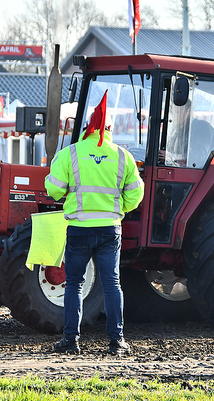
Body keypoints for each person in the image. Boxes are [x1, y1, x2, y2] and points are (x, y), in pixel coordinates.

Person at [45, 91, 144, 355]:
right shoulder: (123, 156)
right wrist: (117, 209)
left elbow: (53, 189)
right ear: (110, 129)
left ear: (89, 126)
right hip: (110, 229)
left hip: (78, 229)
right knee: (112, 283)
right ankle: (117, 341)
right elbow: (136, 193)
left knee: (74, 283)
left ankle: (71, 340)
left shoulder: (71, 154)